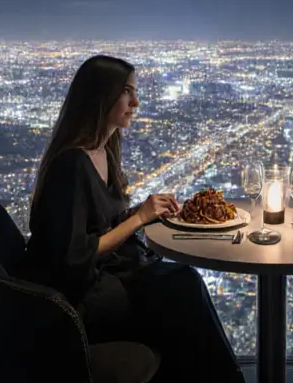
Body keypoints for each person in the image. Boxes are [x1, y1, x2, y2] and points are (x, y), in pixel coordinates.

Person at [20, 54, 244, 383]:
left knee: (182, 287)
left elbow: (102, 221)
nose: (135, 102)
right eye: (127, 92)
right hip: (80, 298)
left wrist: (148, 211)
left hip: (109, 276)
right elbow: (73, 256)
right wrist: (139, 217)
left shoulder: (105, 150)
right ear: (101, 96)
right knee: (182, 288)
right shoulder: (71, 165)